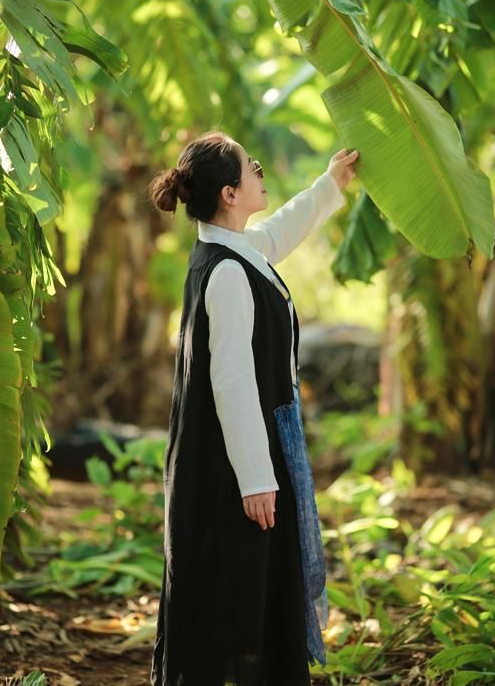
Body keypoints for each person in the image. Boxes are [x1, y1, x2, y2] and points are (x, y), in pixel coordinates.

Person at [148, 131, 360, 686]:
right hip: (232, 466)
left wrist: (330, 183)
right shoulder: (227, 274)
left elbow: (277, 233)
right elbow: (234, 381)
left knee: (250, 586)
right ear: (229, 193)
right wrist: (256, 481)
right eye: (252, 166)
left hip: (241, 455)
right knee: (239, 591)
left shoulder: (233, 253)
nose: (261, 173)